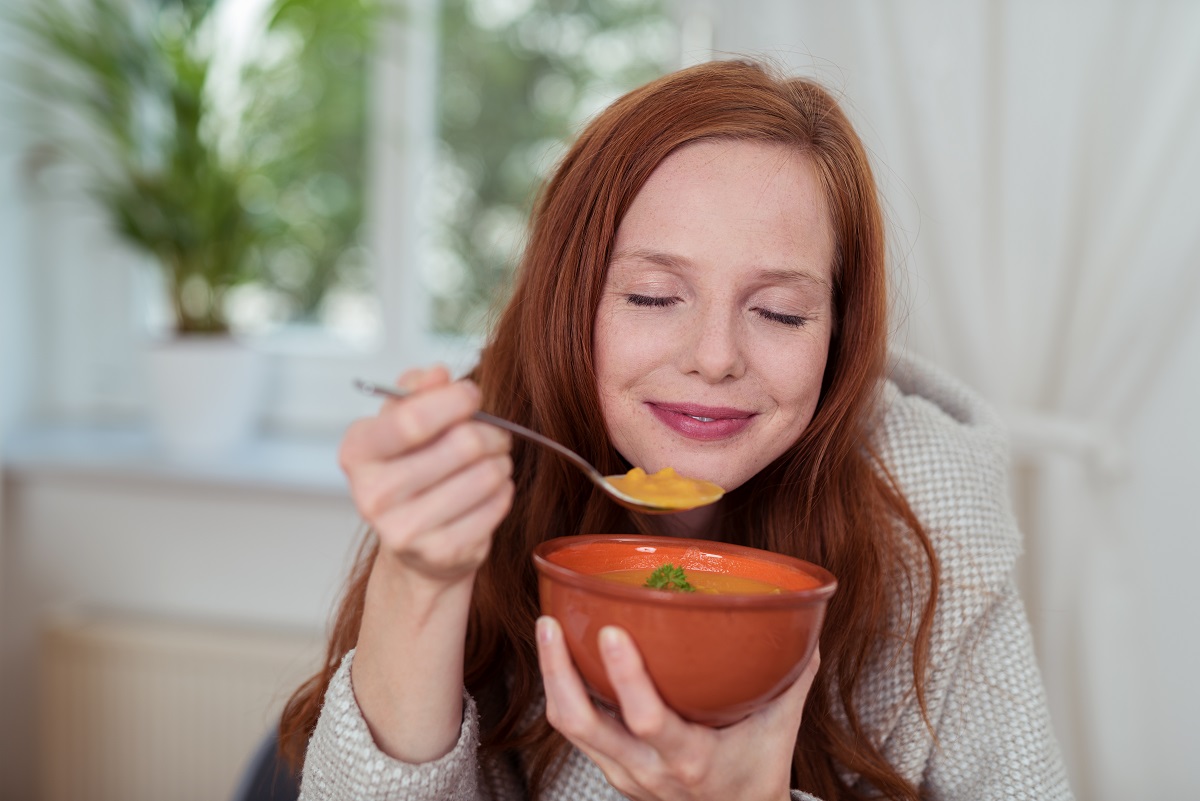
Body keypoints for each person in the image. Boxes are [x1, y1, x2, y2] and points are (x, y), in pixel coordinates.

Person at [279, 59, 1073, 801]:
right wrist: (420, 577)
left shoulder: (930, 510)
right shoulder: (473, 472)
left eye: (779, 312)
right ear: (570, 301)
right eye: (654, 296)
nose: (716, 357)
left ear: (839, 330)